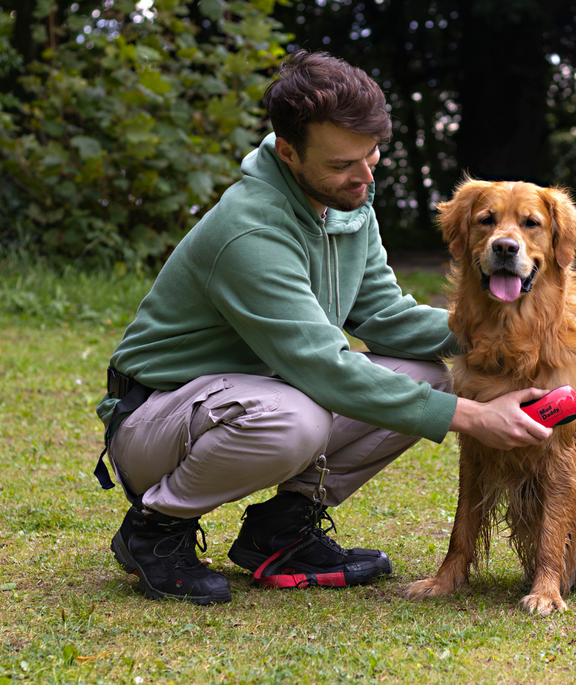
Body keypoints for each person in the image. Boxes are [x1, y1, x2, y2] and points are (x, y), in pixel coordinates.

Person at [95, 50, 551, 605]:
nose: (363, 177)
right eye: (342, 165)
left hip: (256, 395)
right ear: (288, 152)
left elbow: (384, 316)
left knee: (427, 377)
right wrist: (478, 417)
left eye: (371, 156)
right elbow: (321, 365)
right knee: (296, 418)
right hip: (154, 418)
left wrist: (514, 330)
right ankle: (155, 529)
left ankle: (280, 534)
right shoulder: (249, 231)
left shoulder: (346, 200)